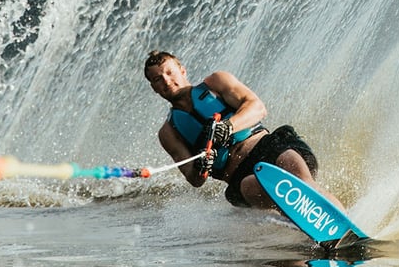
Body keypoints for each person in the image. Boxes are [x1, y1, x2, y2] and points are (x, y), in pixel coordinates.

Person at [143, 50, 343, 210]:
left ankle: (345, 226)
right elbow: (194, 178)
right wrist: (202, 167)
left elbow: (258, 108)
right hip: (239, 175)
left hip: (269, 147)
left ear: (182, 70)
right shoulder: (168, 132)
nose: (166, 81)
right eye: (158, 79)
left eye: (169, 72)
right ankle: (315, 231)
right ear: (153, 87)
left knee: (293, 171)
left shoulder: (216, 83)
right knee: (250, 186)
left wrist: (229, 126)